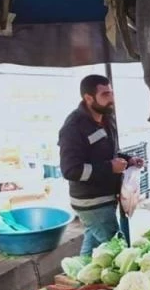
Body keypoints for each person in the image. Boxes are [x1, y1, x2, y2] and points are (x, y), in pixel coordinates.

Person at [59, 75, 144, 256]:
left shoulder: (106, 118)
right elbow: (70, 170)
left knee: (93, 250)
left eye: (111, 93)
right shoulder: (73, 127)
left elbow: (108, 154)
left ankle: (79, 279)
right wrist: (109, 168)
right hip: (92, 202)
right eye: (105, 95)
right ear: (88, 98)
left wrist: (128, 160)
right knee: (118, 251)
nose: (111, 99)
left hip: (106, 198)